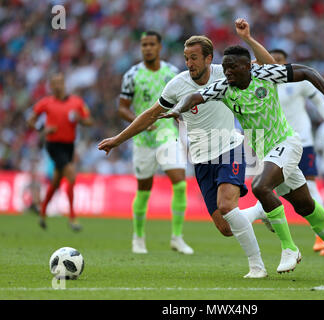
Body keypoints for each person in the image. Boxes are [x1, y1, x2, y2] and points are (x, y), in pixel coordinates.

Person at [160, 45, 324, 279]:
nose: (227, 72)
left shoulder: (265, 75)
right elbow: (194, 97)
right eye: (225, 68)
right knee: (306, 206)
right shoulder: (224, 88)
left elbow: (307, 72)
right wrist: (177, 109)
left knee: (260, 187)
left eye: (232, 67)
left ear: (247, 66)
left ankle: (289, 248)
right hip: (268, 154)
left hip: (288, 143)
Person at [99, 19, 275, 278]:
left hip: (230, 148)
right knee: (226, 227)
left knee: (227, 206)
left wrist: (248, 39)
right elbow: (150, 114)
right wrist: (118, 139)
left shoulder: (225, 73)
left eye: (194, 58)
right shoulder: (178, 85)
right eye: (186, 58)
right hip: (201, 158)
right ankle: (261, 209)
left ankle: (257, 267)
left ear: (208, 59)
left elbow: (270, 67)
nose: (189, 63)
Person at [119, 31, 192, 255]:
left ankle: (177, 238)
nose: (147, 48)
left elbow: (184, 101)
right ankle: (138, 238)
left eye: (151, 44)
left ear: (160, 47)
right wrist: (139, 122)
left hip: (166, 134)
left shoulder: (172, 73)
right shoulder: (132, 75)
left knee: (180, 184)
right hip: (142, 140)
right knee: (143, 191)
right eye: (144, 45)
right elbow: (122, 107)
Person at [270, 49, 324, 256]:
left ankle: (322, 235)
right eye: (272, 61)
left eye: (280, 61)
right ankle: (267, 217)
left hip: (303, 140)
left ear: (286, 62)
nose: (276, 64)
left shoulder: (297, 80)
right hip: (277, 143)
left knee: (310, 184)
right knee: (270, 186)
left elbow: (318, 100)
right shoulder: (264, 83)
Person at [28, 72, 93, 231]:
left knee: (56, 182)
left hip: (69, 146)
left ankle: (42, 213)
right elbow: (30, 121)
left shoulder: (77, 102)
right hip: (53, 145)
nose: (57, 85)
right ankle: (72, 219)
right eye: (54, 83)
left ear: (64, 84)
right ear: (51, 86)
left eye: (60, 82)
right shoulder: (46, 103)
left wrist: (80, 119)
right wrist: (43, 129)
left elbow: (89, 121)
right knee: (71, 176)